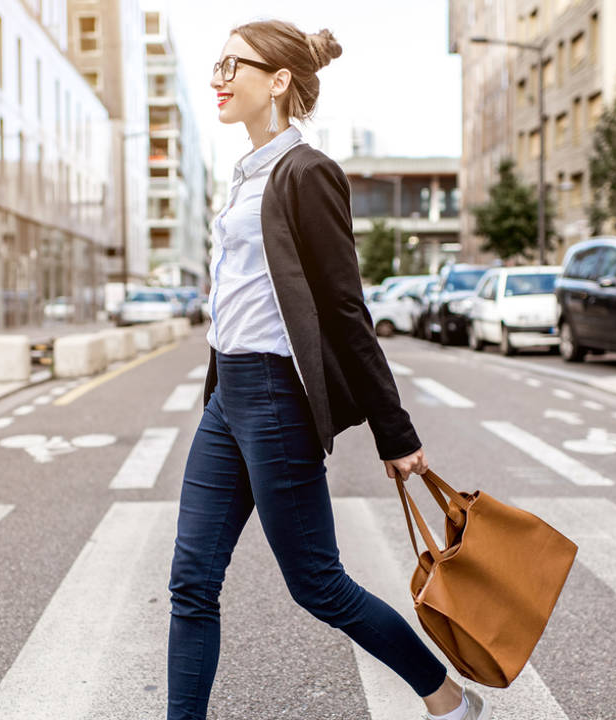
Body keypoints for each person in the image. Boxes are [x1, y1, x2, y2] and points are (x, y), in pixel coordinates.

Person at [167, 21, 490, 720]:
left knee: (317, 583)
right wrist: (217, 390)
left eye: (232, 65)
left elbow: (347, 311)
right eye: (215, 64)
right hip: (229, 397)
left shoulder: (306, 173)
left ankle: (447, 699)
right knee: (192, 580)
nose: (217, 77)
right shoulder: (245, 175)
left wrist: (394, 433)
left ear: (278, 80)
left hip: (278, 400)